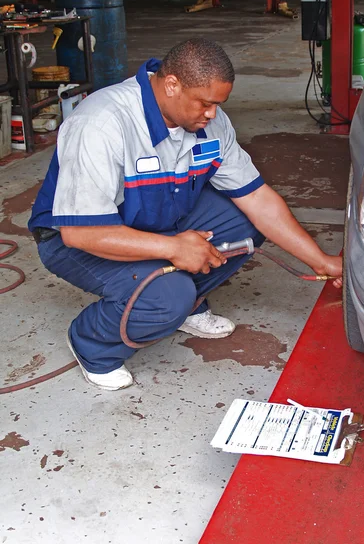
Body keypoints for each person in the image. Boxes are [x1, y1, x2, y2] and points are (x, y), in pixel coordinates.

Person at [29, 38, 343, 391]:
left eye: (218, 104)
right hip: (74, 238)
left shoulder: (212, 123)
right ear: (172, 84)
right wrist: (173, 248)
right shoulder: (101, 124)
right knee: (166, 298)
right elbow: (81, 234)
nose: (212, 114)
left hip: (155, 214)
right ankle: (92, 342)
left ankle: (187, 301)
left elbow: (258, 198)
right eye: (206, 104)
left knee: (243, 224)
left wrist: (320, 260)